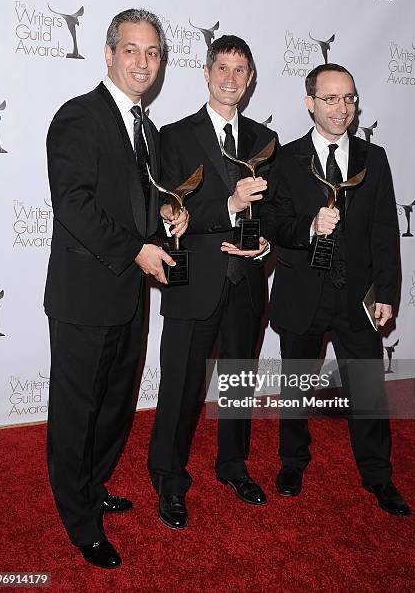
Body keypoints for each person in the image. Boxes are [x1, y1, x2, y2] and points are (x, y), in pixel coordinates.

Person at [44, 8, 187, 569]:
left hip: (130, 296)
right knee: (78, 409)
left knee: (113, 407)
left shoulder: (146, 128)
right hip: (85, 295)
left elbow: (134, 207)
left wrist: (167, 220)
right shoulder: (78, 117)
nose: (143, 62)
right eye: (131, 50)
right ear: (109, 54)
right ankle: (79, 519)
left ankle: (93, 483)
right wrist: (136, 248)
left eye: (152, 53)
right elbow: (73, 205)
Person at [268, 63, 410, 516]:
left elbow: (385, 230)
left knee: (367, 387)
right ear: (309, 103)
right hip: (302, 293)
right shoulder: (286, 159)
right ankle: (292, 461)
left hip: (357, 298)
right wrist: (310, 227)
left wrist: (386, 292)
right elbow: (274, 223)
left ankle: (378, 475)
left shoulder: (375, 158)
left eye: (348, 98)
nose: (341, 108)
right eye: (330, 99)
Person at [147, 35, 278, 529]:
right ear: (205, 72)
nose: (230, 78)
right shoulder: (174, 136)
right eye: (221, 67)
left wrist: (263, 244)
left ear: (249, 78)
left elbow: (276, 212)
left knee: (240, 384)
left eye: (240, 70)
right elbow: (169, 214)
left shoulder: (267, 140)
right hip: (192, 281)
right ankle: (168, 477)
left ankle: (233, 466)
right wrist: (229, 207)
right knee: (180, 387)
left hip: (245, 282)